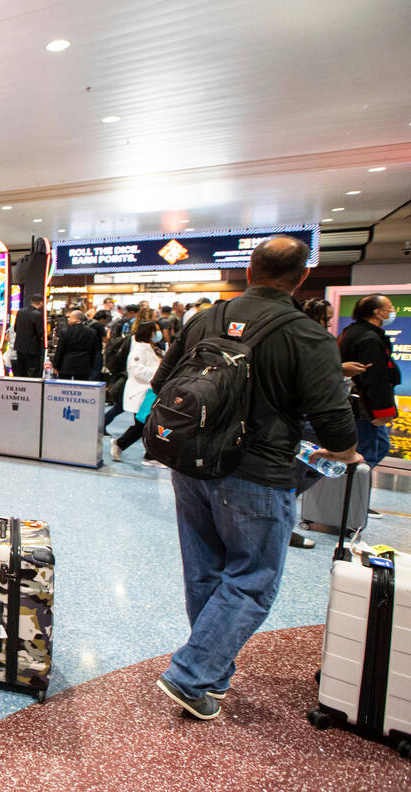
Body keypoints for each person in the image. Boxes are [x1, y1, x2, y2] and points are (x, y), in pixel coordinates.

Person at [150, 235, 359, 720]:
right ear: (303, 276)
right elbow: (335, 425)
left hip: (192, 463)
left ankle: (211, 676)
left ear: (249, 269)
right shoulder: (308, 336)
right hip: (259, 473)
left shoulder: (205, 319)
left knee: (205, 570)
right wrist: (342, 450)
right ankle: (191, 674)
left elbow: (163, 384)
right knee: (251, 579)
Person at [339, 294, 401, 516]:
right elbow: (375, 378)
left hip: (359, 405)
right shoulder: (368, 338)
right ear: (377, 312)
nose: (393, 311)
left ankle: (353, 502)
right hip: (365, 407)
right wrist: (382, 411)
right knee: (367, 452)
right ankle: (349, 504)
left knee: (374, 448)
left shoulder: (355, 332)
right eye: (390, 307)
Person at [109, 321, 165, 467]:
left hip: (149, 391)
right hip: (142, 391)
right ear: (149, 332)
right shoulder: (139, 348)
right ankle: (148, 455)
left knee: (144, 425)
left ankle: (122, 444)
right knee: (146, 424)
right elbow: (135, 368)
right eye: (156, 330)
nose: (158, 333)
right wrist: (157, 375)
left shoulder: (150, 347)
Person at [52, 310, 97, 380]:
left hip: (66, 364)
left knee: (64, 387)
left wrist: (56, 366)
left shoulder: (65, 331)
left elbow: (60, 350)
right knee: (81, 388)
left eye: (69, 318)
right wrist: (91, 364)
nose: (68, 320)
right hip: (84, 364)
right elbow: (93, 351)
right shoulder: (92, 332)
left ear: (75, 319)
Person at [12, 294, 45, 377]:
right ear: (41, 302)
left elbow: (15, 328)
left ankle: (20, 389)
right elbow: (40, 333)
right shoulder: (38, 314)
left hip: (20, 346)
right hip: (32, 348)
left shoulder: (20, 312)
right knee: (32, 372)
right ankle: (31, 390)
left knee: (20, 371)